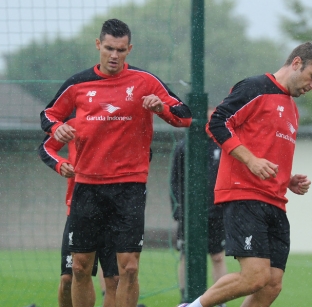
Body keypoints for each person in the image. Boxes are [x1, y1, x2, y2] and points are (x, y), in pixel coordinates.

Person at [40, 18, 192, 307]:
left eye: (121, 50)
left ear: (129, 49)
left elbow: (185, 114)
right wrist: (55, 128)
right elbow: (48, 114)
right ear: (98, 45)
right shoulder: (78, 83)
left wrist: (160, 107)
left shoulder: (146, 81)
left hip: (129, 187)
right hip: (87, 187)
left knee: (128, 270)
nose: (114, 55)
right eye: (109, 48)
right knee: (80, 267)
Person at [176, 41, 312, 307]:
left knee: (271, 285)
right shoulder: (255, 87)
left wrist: (287, 179)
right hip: (245, 196)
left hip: (276, 202)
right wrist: (250, 160)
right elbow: (217, 122)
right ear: (296, 63)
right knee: (254, 277)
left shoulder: (293, 109)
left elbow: (266, 151)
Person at [38, 117, 119, 307]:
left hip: (115, 210)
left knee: (115, 280)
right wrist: (60, 164)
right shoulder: (75, 117)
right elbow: (46, 147)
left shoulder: (121, 116)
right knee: (69, 278)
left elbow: (144, 152)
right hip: (80, 209)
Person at [170, 128, 227, 306]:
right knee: (186, 255)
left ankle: (220, 300)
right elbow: (174, 180)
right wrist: (178, 209)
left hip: (216, 213)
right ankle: (185, 299)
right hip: (190, 214)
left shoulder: (222, 145)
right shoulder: (184, 146)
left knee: (218, 256)